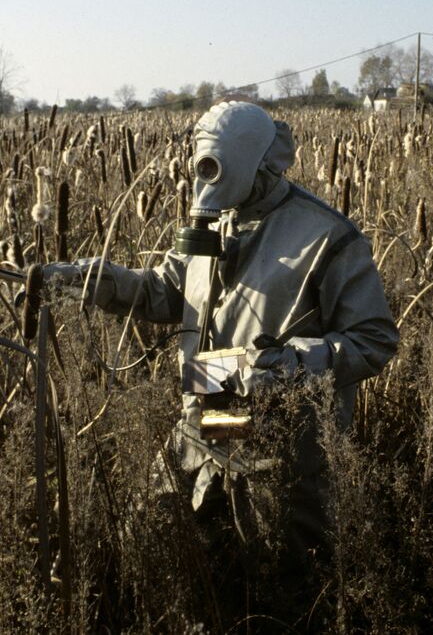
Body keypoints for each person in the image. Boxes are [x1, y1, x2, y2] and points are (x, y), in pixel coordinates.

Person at [43, 100, 398, 571]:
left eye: (217, 166)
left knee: (279, 571)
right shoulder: (215, 220)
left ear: (257, 162)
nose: (207, 178)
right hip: (205, 415)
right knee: (163, 541)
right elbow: (166, 291)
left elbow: (374, 340)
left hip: (282, 442)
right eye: (202, 165)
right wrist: (92, 280)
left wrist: (293, 364)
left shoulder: (327, 238)